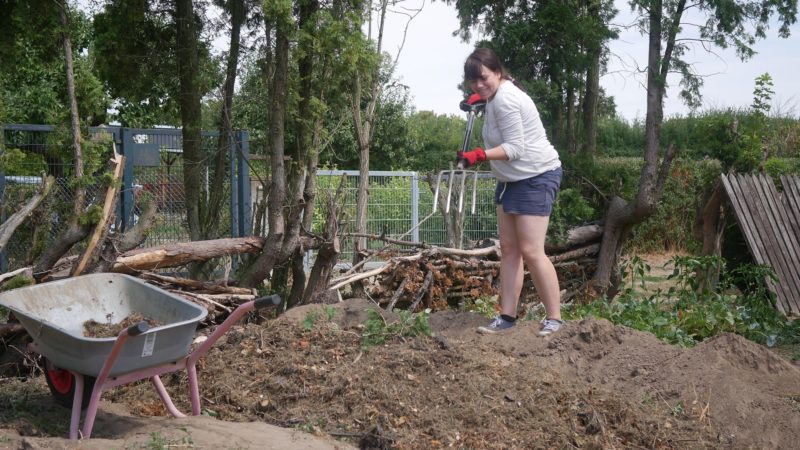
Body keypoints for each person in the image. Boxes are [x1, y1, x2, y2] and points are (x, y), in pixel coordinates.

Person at [458, 48, 564, 336]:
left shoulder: (505, 99)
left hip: (535, 176)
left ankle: (554, 319)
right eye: (472, 81)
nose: (478, 85)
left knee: (531, 250)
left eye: (483, 78)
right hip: (511, 181)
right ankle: (507, 317)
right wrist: (483, 100)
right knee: (509, 250)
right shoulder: (495, 96)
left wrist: (479, 155)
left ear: (497, 72)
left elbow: (516, 149)